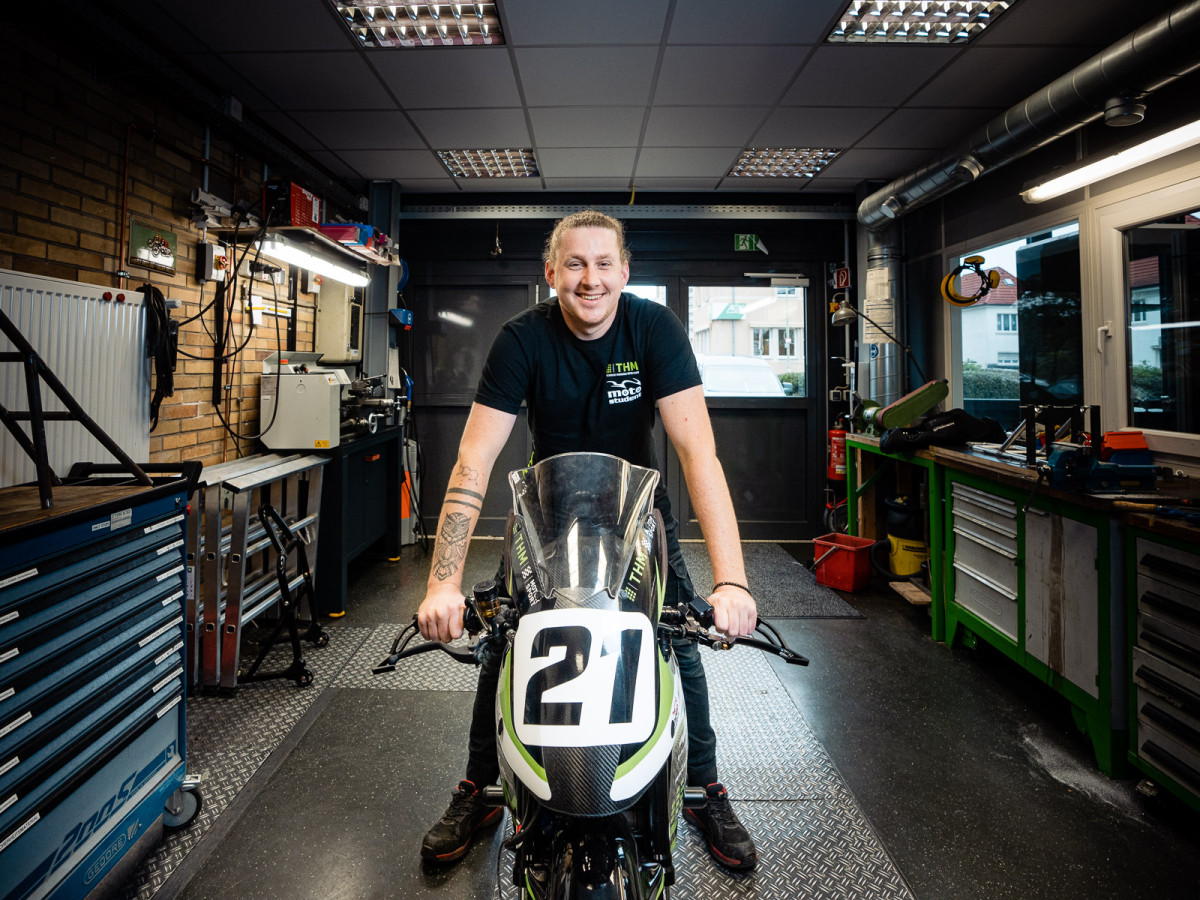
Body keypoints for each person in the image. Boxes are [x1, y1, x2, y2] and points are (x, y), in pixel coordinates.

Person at [416, 209, 759, 871]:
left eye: (605, 264)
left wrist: (734, 582)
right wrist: (440, 582)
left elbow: (699, 455)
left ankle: (701, 787)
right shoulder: (522, 339)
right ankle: (482, 785)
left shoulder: (652, 328)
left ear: (625, 272)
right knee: (506, 635)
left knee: (675, 633)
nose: (590, 279)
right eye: (575, 264)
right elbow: (473, 462)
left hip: (637, 519)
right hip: (547, 519)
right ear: (551, 274)